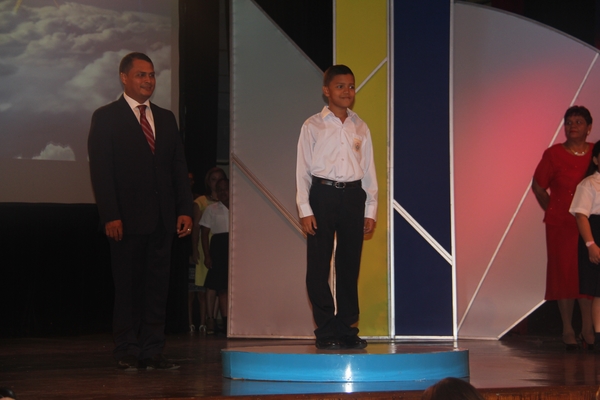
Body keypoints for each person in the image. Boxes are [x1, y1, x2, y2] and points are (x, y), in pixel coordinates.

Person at [88, 52, 193, 370]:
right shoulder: (106, 117)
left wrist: (184, 209)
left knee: (157, 289)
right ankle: (127, 348)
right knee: (128, 288)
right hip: (126, 220)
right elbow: (101, 171)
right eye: (141, 75)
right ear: (124, 78)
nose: (148, 80)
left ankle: (152, 350)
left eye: (151, 75)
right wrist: (110, 214)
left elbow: (178, 167)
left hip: (162, 220)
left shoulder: (166, 118)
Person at [296, 65, 377, 350]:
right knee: (319, 264)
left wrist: (370, 210)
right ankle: (326, 329)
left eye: (351, 86)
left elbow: (369, 171)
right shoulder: (312, 126)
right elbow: (303, 170)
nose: (347, 91)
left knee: (349, 264)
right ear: (326, 90)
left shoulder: (360, 127)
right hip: (322, 194)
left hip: (353, 197)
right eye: (340, 86)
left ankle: (346, 327)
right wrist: (305, 208)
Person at [532, 105, 594, 350]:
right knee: (564, 275)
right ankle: (567, 329)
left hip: (589, 223)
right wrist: (553, 208)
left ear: (589, 128)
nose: (572, 126)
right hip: (561, 225)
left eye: (578, 122)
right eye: (569, 122)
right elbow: (538, 186)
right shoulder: (553, 154)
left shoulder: (596, 152)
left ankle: (588, 328)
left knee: (588, 274)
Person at [570, 140, 600, 348]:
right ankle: (599, 335)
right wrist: (591, 244)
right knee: (599, 292)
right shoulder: (589, 184)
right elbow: (581, 216)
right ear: (596, 160)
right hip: (596, 237)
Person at [191, 167, 227, 334]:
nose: (217, 183)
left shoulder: (234, 204)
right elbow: (200, 230)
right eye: (213, 180)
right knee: (211, 285)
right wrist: (200, 252)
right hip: (213, 246)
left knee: (224, 286)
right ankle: (209, 319)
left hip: (228, 246)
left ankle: (224, 320)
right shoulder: (206, 205)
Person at [200, 178, 230, 336]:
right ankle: (225, 323)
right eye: (220, 189)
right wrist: (207, 255)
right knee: (222, 287)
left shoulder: (240, 207)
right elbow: (204, 234)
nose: (223, 192)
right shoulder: (211, 209)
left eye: (226, 188)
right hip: (219, 247)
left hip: (235, 245)